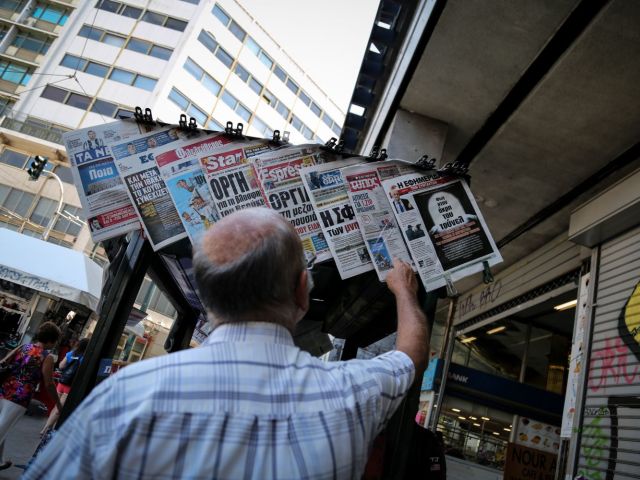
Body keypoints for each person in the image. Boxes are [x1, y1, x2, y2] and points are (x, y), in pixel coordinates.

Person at [25, 208, 429, 479]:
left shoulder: (126, 396)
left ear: (206, 297)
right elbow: (410, 355)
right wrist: (404, 291)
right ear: (302, 292)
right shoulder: (354, 391)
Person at [0, 322, 62, 471]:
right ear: (51, 340)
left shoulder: (24, 347)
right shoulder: (47, 357)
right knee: (2, 428)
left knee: (3, 427)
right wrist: (58, 404)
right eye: (55, 341)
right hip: (20, 397)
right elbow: (49, 383)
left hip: (3, 389)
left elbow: (3, 362)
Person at [40, 338, 90, 436]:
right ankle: (45, 430)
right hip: (70, 386)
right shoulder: (85, 357)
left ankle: (47, 427)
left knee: (56, 406)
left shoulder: (71, 353)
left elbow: (61, 366)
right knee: (59, 409)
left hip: (62, 383)